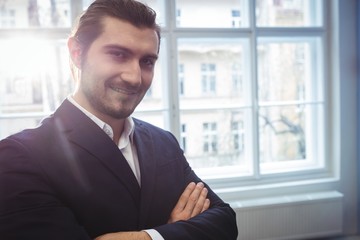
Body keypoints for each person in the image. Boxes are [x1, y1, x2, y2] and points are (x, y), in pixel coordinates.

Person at [0, 0, 238, 239]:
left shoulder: (164, 142)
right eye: (118, 54)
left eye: (147, 61)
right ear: (77, 53)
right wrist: (176, 230)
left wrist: (148, 237)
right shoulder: (18, 157)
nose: (134, 77)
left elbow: (225, 223)